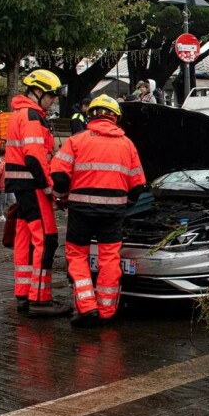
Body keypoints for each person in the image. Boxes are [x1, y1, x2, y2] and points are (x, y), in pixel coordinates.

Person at [51, 95, 147, 327]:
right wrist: (126, 203)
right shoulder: (127, 144)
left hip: (81, 209)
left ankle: (86, 307)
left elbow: (59, 177)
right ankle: (106, 310)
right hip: (113, 211)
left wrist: (63, 198)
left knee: (77, 255)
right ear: (115, 117)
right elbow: (138, 186)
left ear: (91, 115)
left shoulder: (76, 141)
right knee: (109, 256)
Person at [6, 69, 70, 318]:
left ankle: (23, 293)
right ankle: (40, 299)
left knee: (25, 238)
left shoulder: (20, 113)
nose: (53, 100)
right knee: (46, 239)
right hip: (32, 186)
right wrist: (49, 188)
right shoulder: (32, 116)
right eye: (51, 95)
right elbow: (34, 156)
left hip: (21, 187)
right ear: (38, 91)